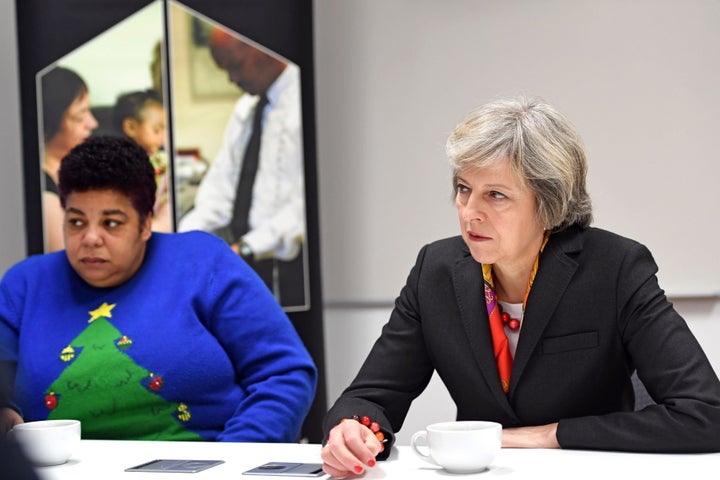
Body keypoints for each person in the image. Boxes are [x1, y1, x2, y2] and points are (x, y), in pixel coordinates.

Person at [320, 96, 720, 477]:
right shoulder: (436, 271)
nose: (469, 212)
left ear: (549, 205)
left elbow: (705, 413)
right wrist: (351, 429)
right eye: (463, 188)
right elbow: (370, 397)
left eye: (495, 195)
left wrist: (551, 435)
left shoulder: (614, 268)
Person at [0, 136, 317, 442]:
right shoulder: (24, 286)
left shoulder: (204, 265)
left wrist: (231, 463)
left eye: (111, 223)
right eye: (77, 222)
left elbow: (284, 374)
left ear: (146, 223)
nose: (91, 238)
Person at [178, 27, 307, 309]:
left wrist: (247, 248)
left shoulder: (306, 102)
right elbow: (222, 189)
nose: (232, 79)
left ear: (260, 49)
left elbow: (304, 207)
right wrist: (184, 238)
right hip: (245, 261)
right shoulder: (245, 109)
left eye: (235, 66)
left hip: (289, 264)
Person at [41, 66, 99, 252]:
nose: (92, 123)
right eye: (79, 116)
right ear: (50, 122)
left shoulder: (82, 168)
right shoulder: (45, 197)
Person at [113, 89, 171, 232]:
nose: (163, 137)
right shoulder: (121, 163)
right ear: (131, 127)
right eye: (157, 130)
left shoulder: (158, 158)